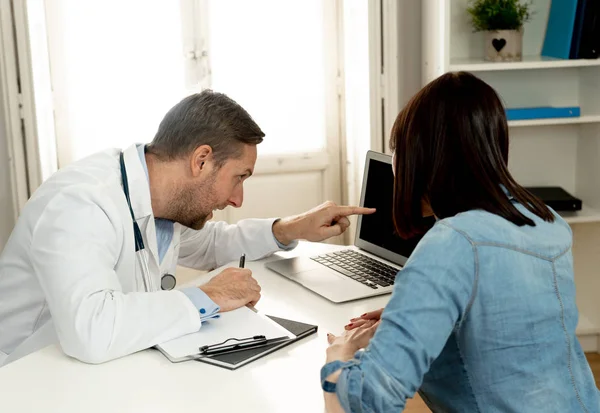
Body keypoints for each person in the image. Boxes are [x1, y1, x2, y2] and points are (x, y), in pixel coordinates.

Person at [0, 90, 374, 367]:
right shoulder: (82, 202)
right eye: (238, 178)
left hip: (103, 365)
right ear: (201, 160)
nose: (238, 199)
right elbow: (92, 329)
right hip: (29, 373)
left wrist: (291, 228)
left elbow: (210, 244)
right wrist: (207, 296)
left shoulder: (158, 196)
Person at [320, 72, 600, 412]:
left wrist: (339, 355)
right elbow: (513, 336)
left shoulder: (451, 244)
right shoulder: (545, 220)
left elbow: (365, 404)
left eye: (397, 147)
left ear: (420, 155)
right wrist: (411, 315)